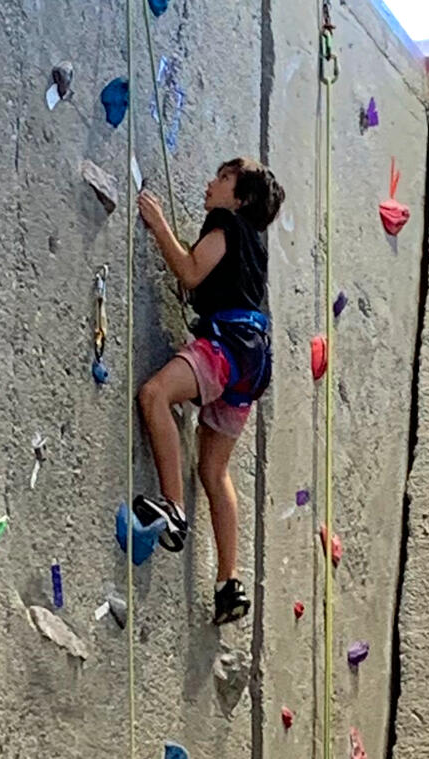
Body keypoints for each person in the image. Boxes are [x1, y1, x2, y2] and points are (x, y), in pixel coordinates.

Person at [133, 157, 285, 625]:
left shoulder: (225, 223)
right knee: (215, 470)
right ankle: (228, 582)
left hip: (227, 348)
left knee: (156, 395)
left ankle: (173, 509)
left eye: (222, 178)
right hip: (254, 361)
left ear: (238, 199)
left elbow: (191, 271)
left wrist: (158, 225)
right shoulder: (254, 247)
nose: (210, 182)